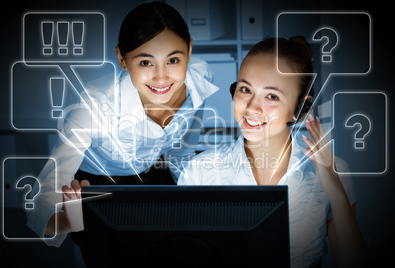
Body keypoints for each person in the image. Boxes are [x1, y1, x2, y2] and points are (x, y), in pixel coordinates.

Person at [27, 2, 219, 248]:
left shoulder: (199, 80)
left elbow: (182, 146)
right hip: (100, 181)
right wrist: (67, 221)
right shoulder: (95, 105)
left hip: (157, 169)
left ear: (189, 51)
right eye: (146, 62)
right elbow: (45, 192)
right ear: (122, 59)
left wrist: (194, 191)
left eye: (172, 60)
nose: (162, 77)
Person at [178, 37, 371, 267]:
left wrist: (335, 190)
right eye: (245, 89)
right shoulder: (199, 172)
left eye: (271, 96)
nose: (251, 107)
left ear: (300, 108)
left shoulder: (334, 172)